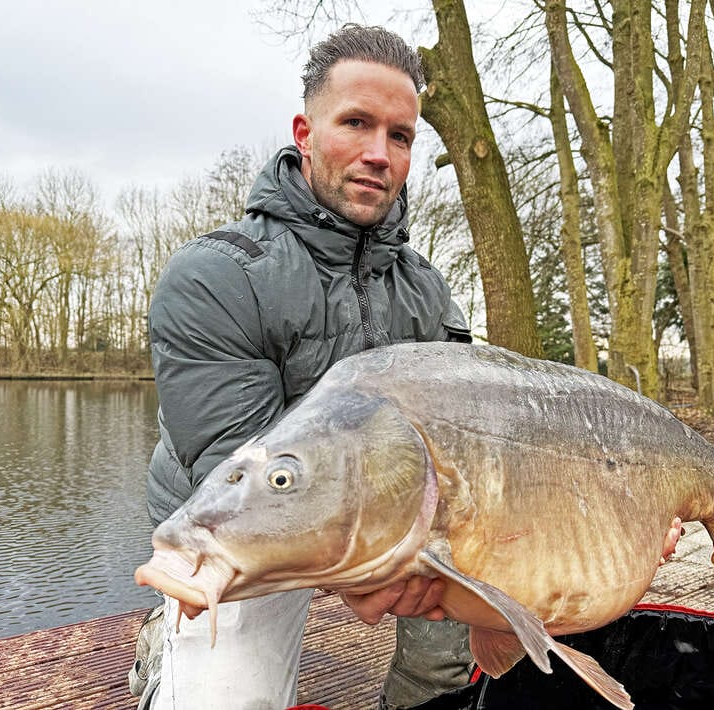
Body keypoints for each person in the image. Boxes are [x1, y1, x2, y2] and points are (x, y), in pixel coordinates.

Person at [137, 23, 476, 710]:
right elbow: (233, 467)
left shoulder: (427, 290)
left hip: (387, 506)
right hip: (241, 518)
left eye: (400, 136)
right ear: (306, 131)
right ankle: (167, 642)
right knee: (226, 698)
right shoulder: (216, 276)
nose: (378, 154)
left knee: (462, 649)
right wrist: (367, 572)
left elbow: (462, 438)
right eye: (356, 123)